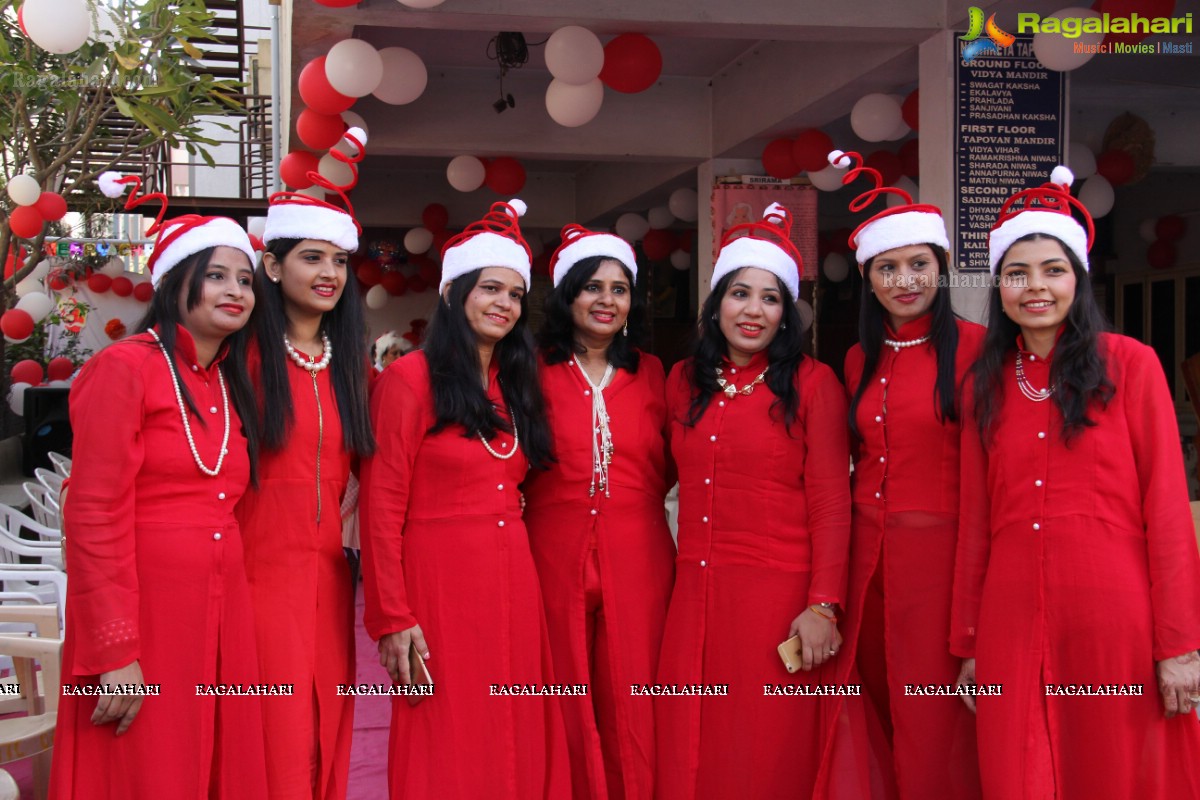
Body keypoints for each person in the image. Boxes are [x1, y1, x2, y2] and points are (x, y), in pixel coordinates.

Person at [952, 166, 1200, 798]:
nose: (1035, 287)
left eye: (1052, 270)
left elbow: (1167, 510)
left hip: (1112, 615)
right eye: (1017, 273)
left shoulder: (1131, 366)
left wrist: (1179, 644)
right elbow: (977, 519)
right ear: (999, 288)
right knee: (1017, 769)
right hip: (1010, 617)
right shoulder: (985, 383)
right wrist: (970, 642)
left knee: (1112, 766)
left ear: (1078, 279)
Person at [51, 173, 266, 798]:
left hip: (224, 608)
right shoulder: (124, 368)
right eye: (219, 275)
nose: (236, 290)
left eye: (246, 280)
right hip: (146, 613)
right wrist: (115, 649)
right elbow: (92, 513)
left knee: (213, 763)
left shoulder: (223, 380)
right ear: (176, 281)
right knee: (148, 769)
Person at [360, 199, 570, 799]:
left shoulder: (514, 386)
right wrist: (392, 618)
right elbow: (381, 508)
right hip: (440, 579)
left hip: (511, 575)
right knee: (448, 722)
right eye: (489, 288)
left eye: (513, 293)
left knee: (513, 720)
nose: (503, 303)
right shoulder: (410, 380)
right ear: (455, 294)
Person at [654, 204, 866, 799]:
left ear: (786, 312)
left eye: (770, 298)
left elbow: (831, 503)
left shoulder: (813, 384)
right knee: (694, 736)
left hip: (778, 596)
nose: (753, 310)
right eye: (740, 293)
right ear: (716, 302)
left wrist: (823, 606)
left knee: (767, 745)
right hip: (695, 592)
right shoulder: (682, 381)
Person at [831, 149, 983, 798]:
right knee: (874, 716)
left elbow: (985, 482)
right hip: (867, 569)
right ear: (868, 278)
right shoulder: (857, 358)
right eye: (888, 267)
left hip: (942, 567)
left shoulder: (978, 350)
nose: (905, 280)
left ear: (940, 269)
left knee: (935, 722)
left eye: (919, 264)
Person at [234, 128, 375, 800]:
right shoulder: (240, 364)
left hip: (328, 578)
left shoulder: (352, 371)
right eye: (312, 257)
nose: (329, 274)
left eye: (341, 262)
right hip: (252, 575)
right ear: (272, 266)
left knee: (326, 725)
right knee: (273, 728)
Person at [524, 225, 676, 800]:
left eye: (619, 288)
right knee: (559, 692)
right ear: (567, 295)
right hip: (550, 551)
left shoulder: (656, 374)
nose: (607, 300)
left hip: (640, 554)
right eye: (592, 287)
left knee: (633, 696)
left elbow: (671, 464)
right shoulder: (528, 371)